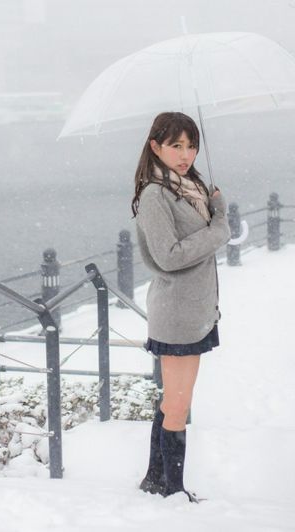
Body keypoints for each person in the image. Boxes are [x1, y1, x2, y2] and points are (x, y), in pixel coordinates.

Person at [131, 111, 230, 502]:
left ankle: (155, 480)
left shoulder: (187, 187)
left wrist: (216, 210)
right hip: (177, 313)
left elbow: (200, 239)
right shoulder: (155, 194)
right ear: (156, 147)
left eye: (191, 145)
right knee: (178, 403)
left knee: (173, 398)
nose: (185, 154)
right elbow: (169, 256)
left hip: (196, 310)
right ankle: (172, 490)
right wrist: (219, 227)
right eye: (176, 145)